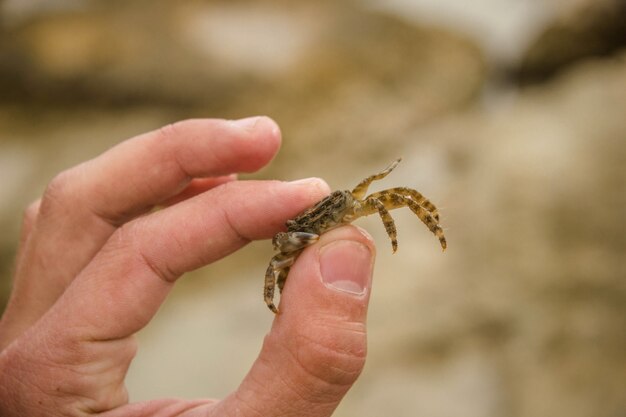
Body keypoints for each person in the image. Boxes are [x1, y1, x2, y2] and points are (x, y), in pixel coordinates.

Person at [0, 116, 376, 416]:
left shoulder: (351, 201)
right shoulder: (298, 233)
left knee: (392, 199)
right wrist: (280, 285)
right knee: (281, 259)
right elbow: (278, 261)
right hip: (304, 234)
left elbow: (395, 193)